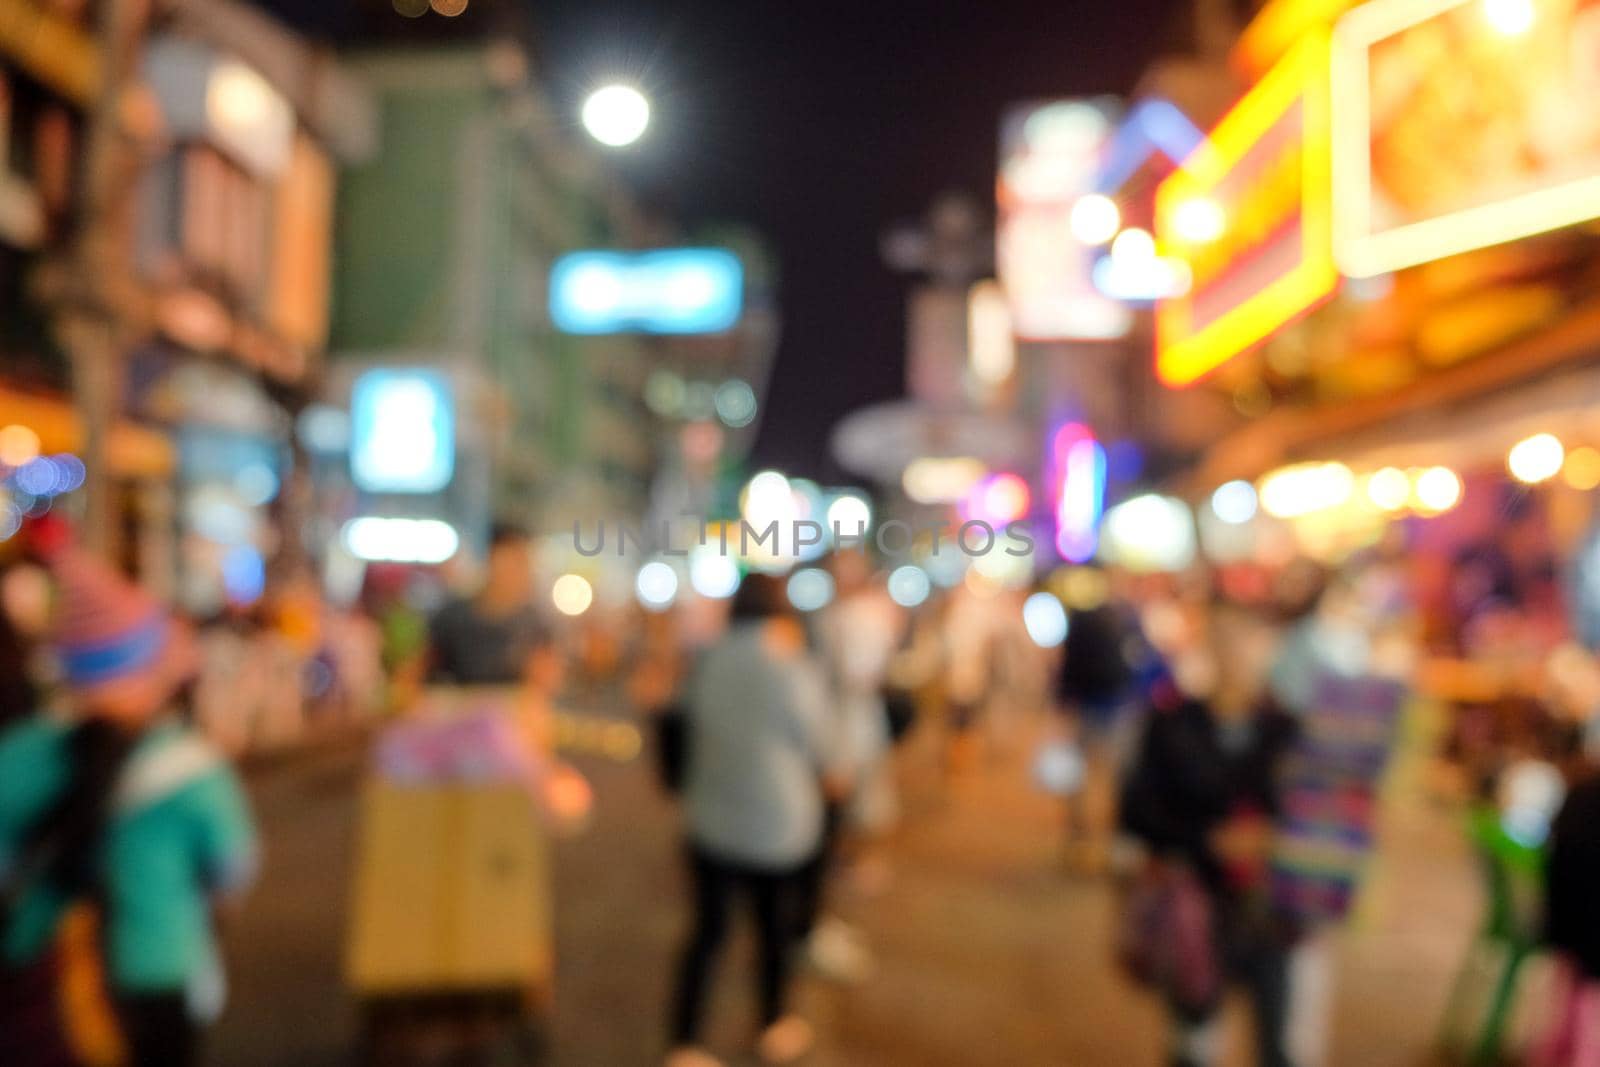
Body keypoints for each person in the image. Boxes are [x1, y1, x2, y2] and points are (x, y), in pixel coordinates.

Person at [0, 543, 258, 1067]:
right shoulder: (192, 767)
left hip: (39, 975)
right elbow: (233, 866)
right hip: (157, 965)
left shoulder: (19, 756)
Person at [667, 574, 840, 1067]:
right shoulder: (789, 666)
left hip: (710, 816)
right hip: (778, 823)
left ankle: (686, 1042)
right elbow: (820, 741)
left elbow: (683, 722)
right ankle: (772, 1023)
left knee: (707, 934)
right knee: (773, 931)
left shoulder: (706, 659)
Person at [1120, 608, 1300, 1067]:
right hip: (1193, 903)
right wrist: (1209, 840)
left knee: (1278, 1039)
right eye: (1226, 643)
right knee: (1193, 1038)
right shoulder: (1172, 723)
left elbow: (1319, 815)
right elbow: (1136, 811)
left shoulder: (1287, 731)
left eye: (1248, 644)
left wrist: (1274, 840)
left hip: (1270, 912)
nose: (1237, 657)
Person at [427, 522, 552, 687]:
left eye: (521, 564)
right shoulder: (452, 618)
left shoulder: (536, 624)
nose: (514, 574)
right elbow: (422, 668)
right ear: (491, 560)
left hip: (515, 710)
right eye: (508, 562)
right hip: (458, 709)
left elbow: (546, 678)